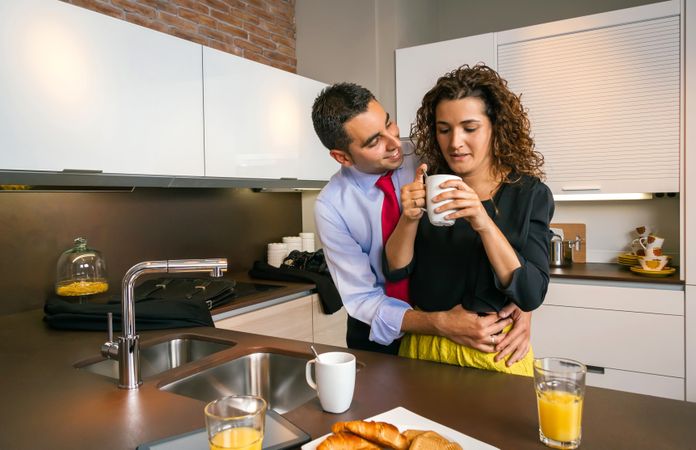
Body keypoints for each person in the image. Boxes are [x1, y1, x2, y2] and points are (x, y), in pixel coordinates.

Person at [311, 82, 533, 364]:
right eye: (373, 141)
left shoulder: (425, 156)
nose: (394, 143)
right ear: (342, 157)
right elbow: (363, 299)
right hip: (377, 340)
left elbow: (509, 213)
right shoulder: (331, 207)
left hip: (446, 336)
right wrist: (441, 323)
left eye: (389, 124)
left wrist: (522, 305)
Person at [384, 64, 554, 375]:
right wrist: (408, 219)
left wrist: (482, 219)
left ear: (495, 127)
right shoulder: (428, 183)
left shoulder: (529, 194)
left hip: (495, 353)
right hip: (424, 347)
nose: (455, 142)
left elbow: (530, 293)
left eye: (469, 128)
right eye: (444, 129)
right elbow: (396, 270)